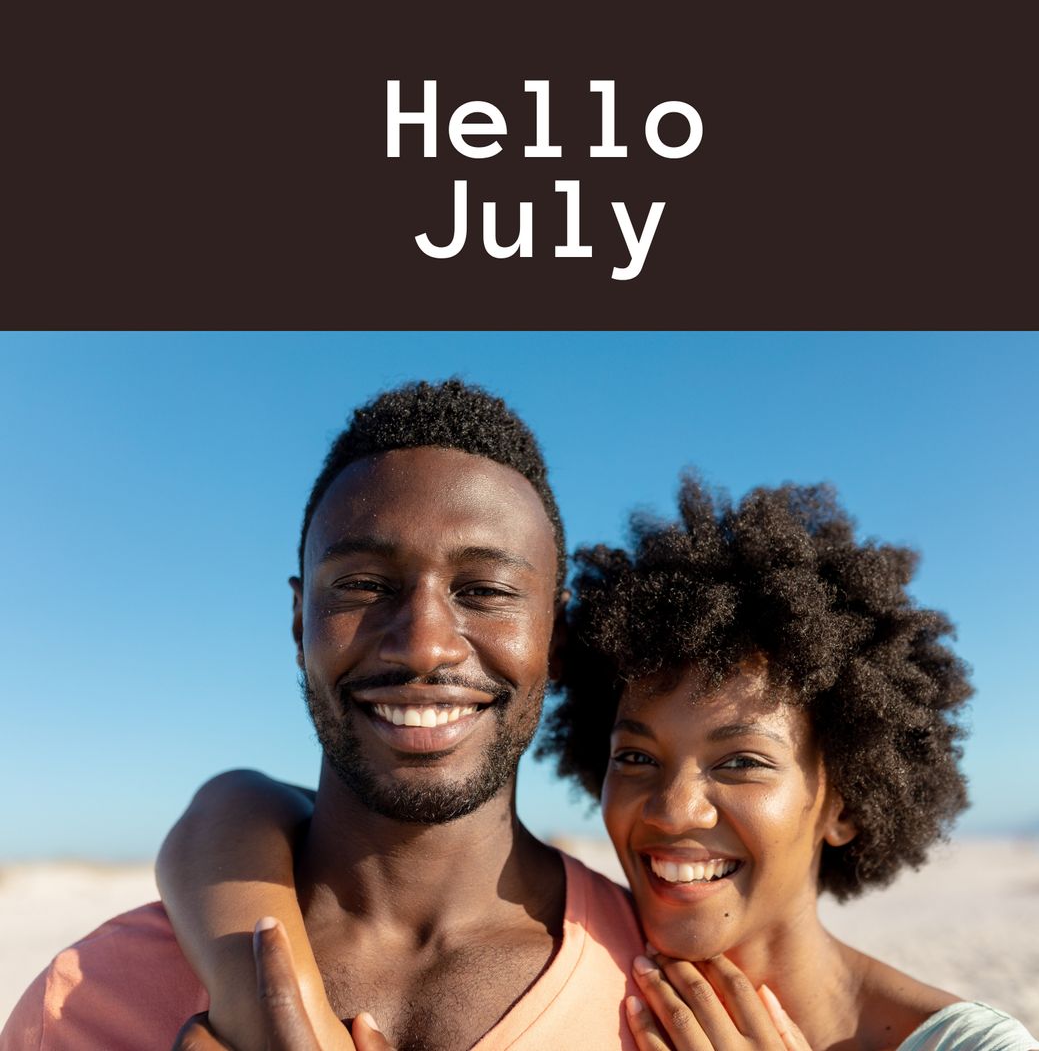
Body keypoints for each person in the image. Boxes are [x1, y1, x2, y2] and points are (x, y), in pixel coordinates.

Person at [152, 477, 1039, 1049]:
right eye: (636, 755)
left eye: (739, 762)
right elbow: (238, 805)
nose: (673, 809)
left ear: (844, 799)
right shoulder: (609, 984)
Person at [0, 380, 644, 1051]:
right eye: (363, 586)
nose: (424, 646)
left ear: (557, 637)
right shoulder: (85, 1000)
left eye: (484, 591)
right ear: (298, 617)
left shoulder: (669, 1001)